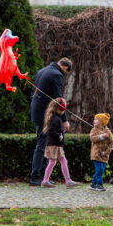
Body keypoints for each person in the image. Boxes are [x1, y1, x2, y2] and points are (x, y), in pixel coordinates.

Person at [30, 58, 72, 186]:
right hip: (45, 114)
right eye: (66, 71)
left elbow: (33, 92)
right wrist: (64, 120)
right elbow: (58, 99)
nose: (65, 74)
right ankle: (36, 177)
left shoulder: (42, 71)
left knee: (43, 144)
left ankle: (43, 178)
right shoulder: (56, 74)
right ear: (65, 67)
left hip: (37, 111)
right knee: (42, 145)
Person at [40, 98, 79, 188]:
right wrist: (59, 135)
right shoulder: (56, 119)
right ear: (60, 108)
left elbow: (53, 130)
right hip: (55, 145)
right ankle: (68, 181)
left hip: (54, 144)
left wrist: (62, 132)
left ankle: (45, 181)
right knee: (62, 161)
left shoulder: (55, 118)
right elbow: (51, 131)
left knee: (52, 162)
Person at [89, 113, 113, 191]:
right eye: (94, 119)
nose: (94, 121)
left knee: (101, 170)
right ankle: (99, 185)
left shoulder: (107, 131)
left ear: (101, 121)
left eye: (96, 119)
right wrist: (101, 137)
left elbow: (111, 141)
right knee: (99, 169)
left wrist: (107, 151)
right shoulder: (94, 130)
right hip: (96, 154)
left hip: (104, 155)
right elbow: (92, 138)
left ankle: (93, 184)